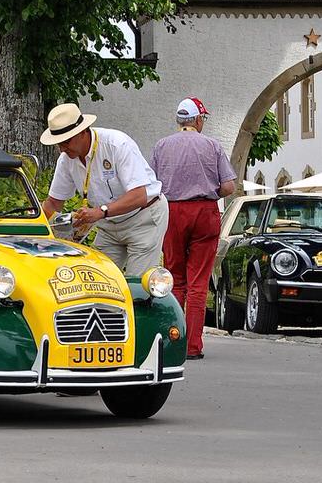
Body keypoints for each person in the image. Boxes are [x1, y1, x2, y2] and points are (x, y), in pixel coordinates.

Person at [152, 97, 237, 360]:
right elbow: (229, 187)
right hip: (204, 212)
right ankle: (193, 346)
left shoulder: (161, 146)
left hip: (173, 212)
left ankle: (173, 341)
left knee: (175, 279)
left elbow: (153, 185)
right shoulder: (212, 145)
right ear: (198, 120)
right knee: (198, 282)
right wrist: (209, 188)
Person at [40, 103, 168, 277]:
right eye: (58, 144)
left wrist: (101, 212)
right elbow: (54, 203)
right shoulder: (66, 159)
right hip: (109, 225)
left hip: (143, 219)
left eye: (66, 142)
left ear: (82, 131)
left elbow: (139, 195)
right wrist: (35, 225)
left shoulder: (117, 144)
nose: (62, 148)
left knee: (137, 286)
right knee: (97, 281)